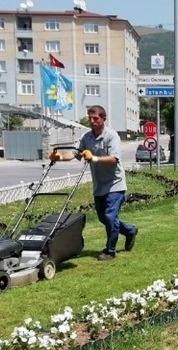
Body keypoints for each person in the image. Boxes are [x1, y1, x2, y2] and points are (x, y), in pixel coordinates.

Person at [49, 105, 137, 261]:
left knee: (110, 217)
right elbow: (74, 153)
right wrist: (59, 157)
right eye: (90, 118)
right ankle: (130, 230)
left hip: (115, 183)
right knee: (104, 218)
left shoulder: (111, 136)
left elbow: (114, 159)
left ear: (103, 118)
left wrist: (93, 158)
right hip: (99, 185)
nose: (92, 121)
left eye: (95, 118)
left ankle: (110, 251)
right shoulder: (87, 137)